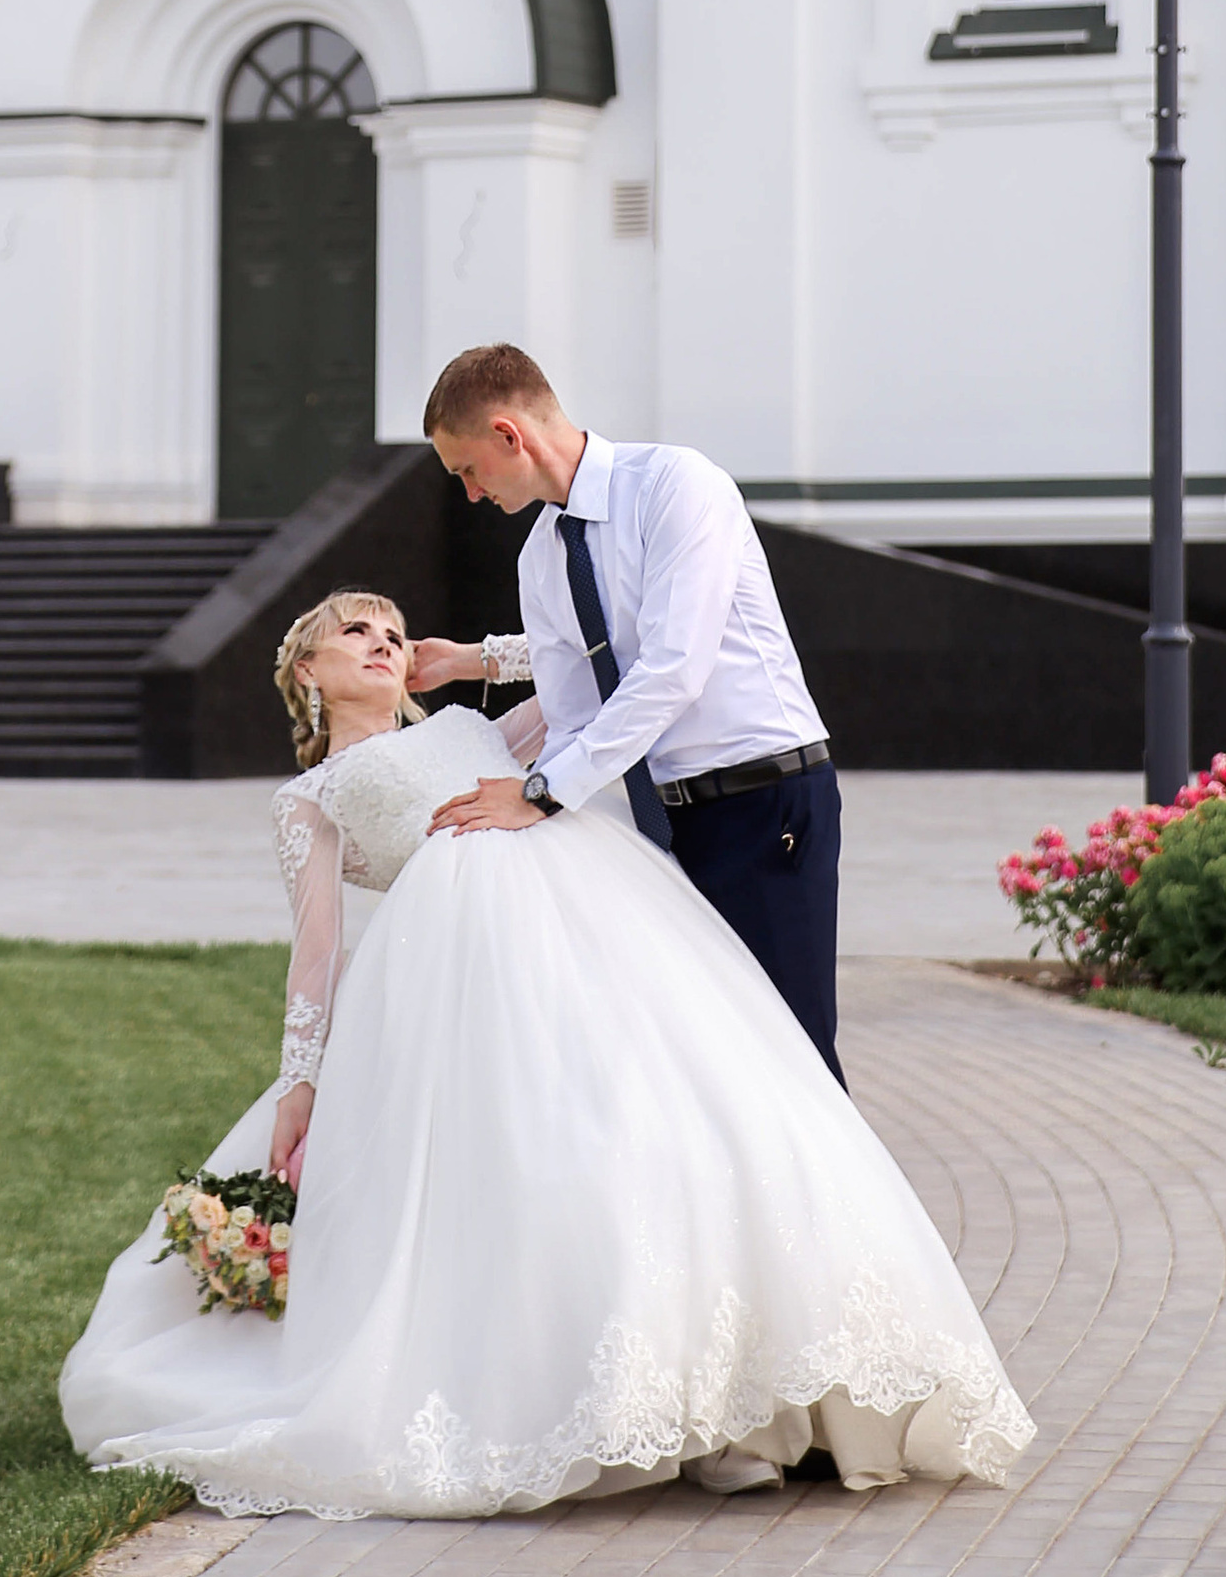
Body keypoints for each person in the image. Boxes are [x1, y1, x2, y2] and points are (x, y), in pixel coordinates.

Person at [57, 585, 1032, 1521]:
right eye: (356, 630)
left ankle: (733, 1414)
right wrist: (300, 1083)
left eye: (395, 628)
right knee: (535, 1173)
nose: (383, 639)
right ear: (306, 666)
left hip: (592, 931)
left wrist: (477, 658)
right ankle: (627, 1414)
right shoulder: (309, 797)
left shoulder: (479, 731)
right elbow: (317, 952)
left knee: (661, 1131)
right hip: (457, 983)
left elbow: (599, 676)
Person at [415, 344, 845, 1075]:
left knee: (794, 1063)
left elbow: (672, 668)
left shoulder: (678, 486)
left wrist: (542, 795)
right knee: (703, 1069)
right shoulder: (539, 559)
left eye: (467, 471)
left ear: (508, 436)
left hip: (764, 804)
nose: (471, 495)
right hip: (661, 828)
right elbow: (573, 714)